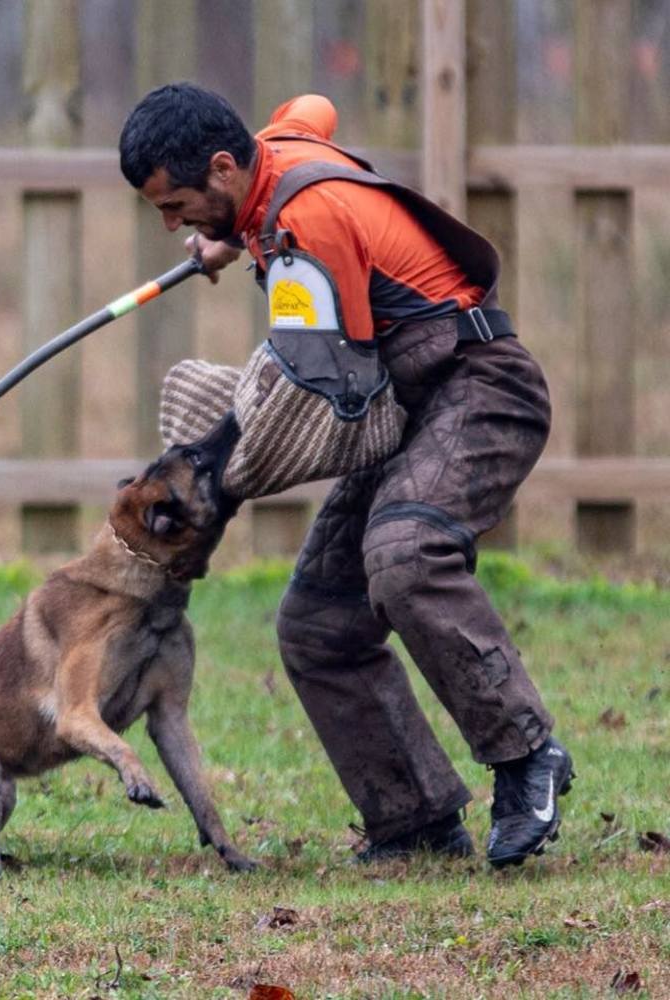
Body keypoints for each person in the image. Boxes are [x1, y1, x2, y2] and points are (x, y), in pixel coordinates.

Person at [118, 82, 575, 867]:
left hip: (479, 388)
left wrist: (226, 471)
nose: (171, 224)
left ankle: (527, 755)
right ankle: (416, 819)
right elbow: (313, 107)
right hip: (411, 401)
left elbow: (330, 397)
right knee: (319, 622)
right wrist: (234, 233)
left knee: (404, 556)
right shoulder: (274, 153)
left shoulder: (308, 226)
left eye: (179, 204)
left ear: (224, 166)